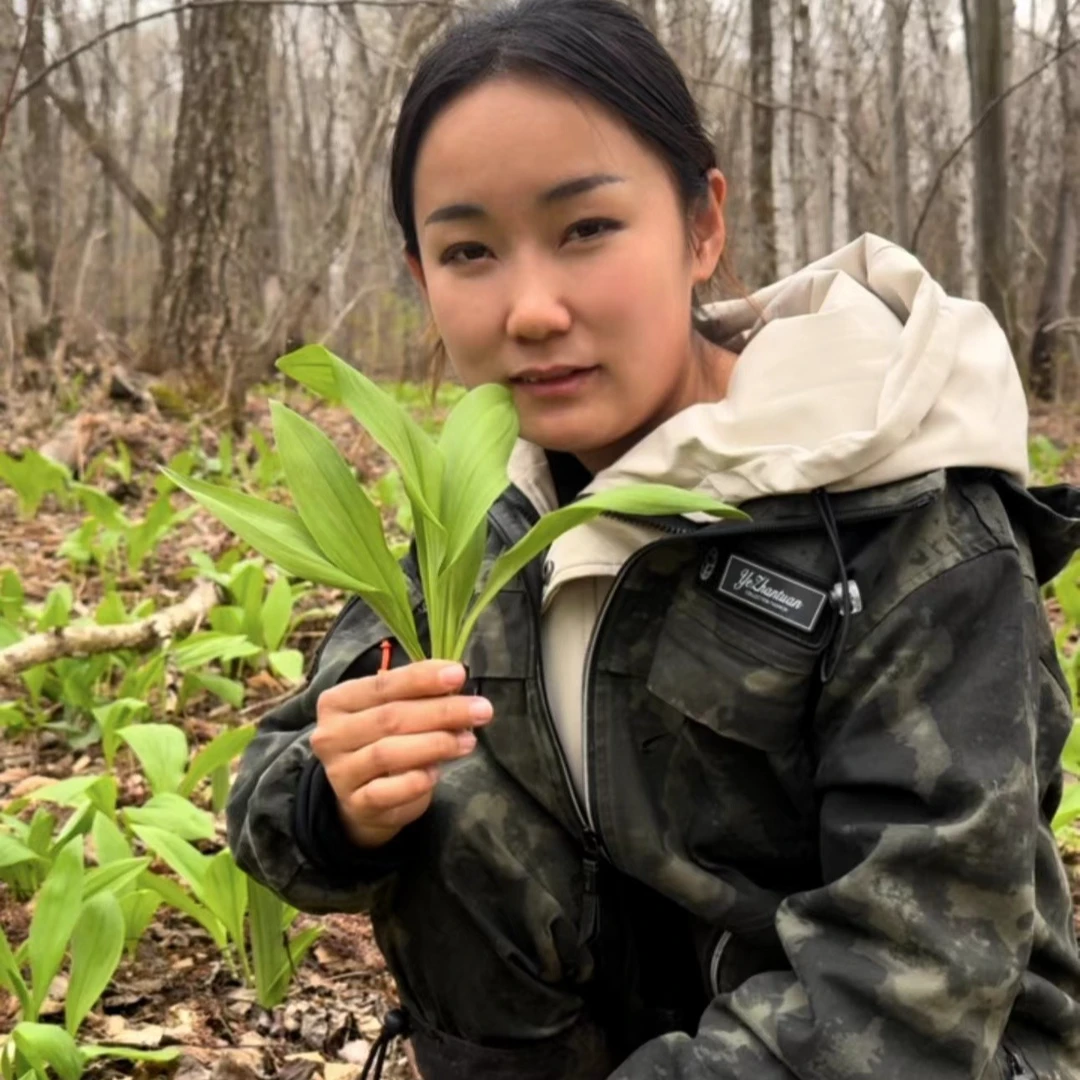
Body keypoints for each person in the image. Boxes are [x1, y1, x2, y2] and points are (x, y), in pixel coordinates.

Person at [225, 1, 1080, 1077]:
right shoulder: (492, 509)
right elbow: (275, 780)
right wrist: (336, 798)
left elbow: (916, 978)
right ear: (421, 279)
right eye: (470, 249)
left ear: (702, 224)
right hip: (618, 1032)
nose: (531, 308)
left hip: (914, 1049)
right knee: (451, 785)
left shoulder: (901, 515)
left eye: (586, 229)